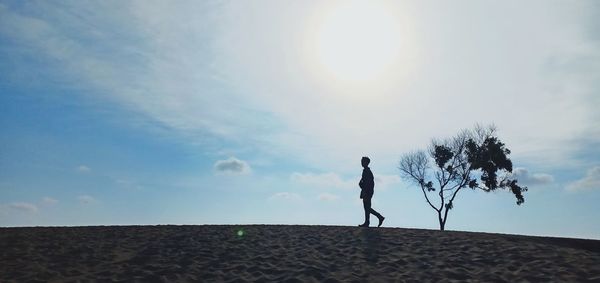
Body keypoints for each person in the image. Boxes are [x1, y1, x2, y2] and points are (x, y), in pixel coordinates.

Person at [358, 156, 385, 227]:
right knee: (366, 207)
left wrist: (365, 190)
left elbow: (369, 183)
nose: (361, 163)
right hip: (366, 191)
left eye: (363, 161)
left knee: (367, 207)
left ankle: (379, 217)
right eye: (361, 161)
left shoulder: (367, 171)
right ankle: (368, 222)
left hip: (367, 192)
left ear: (366, 162)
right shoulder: (365, 171)